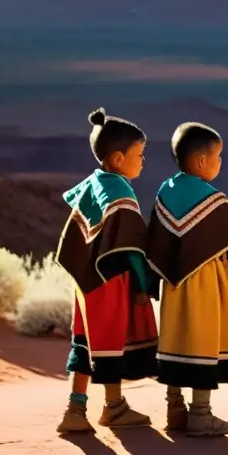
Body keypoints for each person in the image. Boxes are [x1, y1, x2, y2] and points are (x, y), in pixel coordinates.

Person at [55, 108, 160, 434]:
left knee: (86, 341)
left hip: (87, 283)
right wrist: (146, 285)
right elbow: (129, 246)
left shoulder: (93, 184)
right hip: (111, 282)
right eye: (138, 154)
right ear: (117, 158)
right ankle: (114, 407)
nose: (143, 160)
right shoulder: (119, 192)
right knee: (110, 342)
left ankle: (75, 408)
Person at [147, 122, 228, 437]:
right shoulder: (212, 199)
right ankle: (201, 415)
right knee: (203, 340)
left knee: (176, 339)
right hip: (205, 284)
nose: (221, 162)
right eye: (218, 156)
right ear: (203, 162)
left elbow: (156, 243)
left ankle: (174, 409)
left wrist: (156, 281)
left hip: (174, 287)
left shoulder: (165, 191)